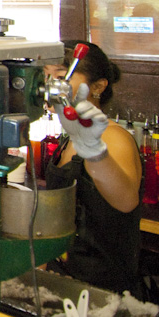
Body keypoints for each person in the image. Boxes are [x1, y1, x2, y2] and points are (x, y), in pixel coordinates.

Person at [43, 41, 142, 296]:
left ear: (98, 86)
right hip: (64, 281)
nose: (50, 87)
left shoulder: (114, 138)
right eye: (46, 78)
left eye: (62, 77)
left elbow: (125, 200)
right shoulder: (68, 139)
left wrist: (94, 151)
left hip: (103, 290)